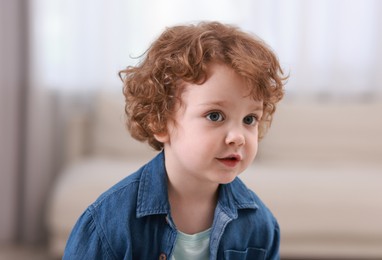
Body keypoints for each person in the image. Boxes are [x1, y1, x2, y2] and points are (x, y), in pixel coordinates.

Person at [63, 21, 286, 260]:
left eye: (250, 119)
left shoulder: (261, 226)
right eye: (215, 116)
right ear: (160, 122)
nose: (238, 137)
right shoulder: (108, 223)